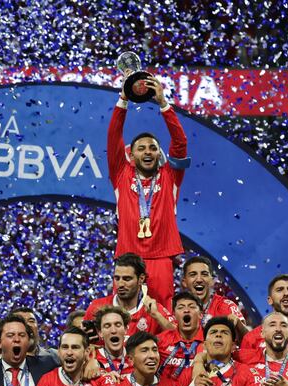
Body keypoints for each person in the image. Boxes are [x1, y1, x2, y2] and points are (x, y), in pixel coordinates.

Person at [107, 74, 189, 306]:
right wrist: (123, 99)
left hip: (161, 257)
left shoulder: (170, 176)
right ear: (131, 155)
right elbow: (113, 137)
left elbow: (180, 143)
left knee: (162, 311)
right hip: (128, 258)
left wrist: (164, 104)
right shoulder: (121, 175)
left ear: (158, 154)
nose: (147, 152)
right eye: (141, 148)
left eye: (153, 148)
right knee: (124, 312)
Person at [83, 252, 176, 336]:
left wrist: (157, 316)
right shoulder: (96, 307)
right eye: (117, 278)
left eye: (127, 279)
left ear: (141, 279)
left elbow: (179, 339)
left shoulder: (154, 310)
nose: (121, 284)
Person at [180, 256, 249, 336]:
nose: (199, 279)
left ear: (212, 281)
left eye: (204, 274)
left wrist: (238, 325)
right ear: (184, 282)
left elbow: (249, 340)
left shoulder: (226, 306)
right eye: (193, 275)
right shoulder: (176, 308)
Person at [156, 291, 204, 386]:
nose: (186, 310)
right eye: (180, 307)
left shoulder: (210, 342)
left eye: (191, 307)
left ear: (200, 314)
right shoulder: (160, 341)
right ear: (174, 315)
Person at [93, 306, 132, 376]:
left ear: (125, 329)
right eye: (107, 326)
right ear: (100, 332)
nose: (113, 330)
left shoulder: (135, 357)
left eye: (118, 325)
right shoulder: (91, 359)